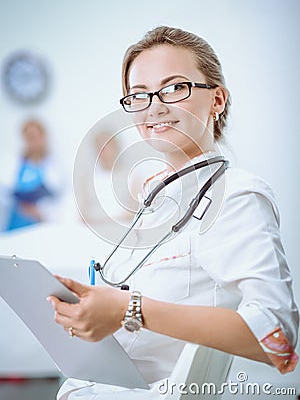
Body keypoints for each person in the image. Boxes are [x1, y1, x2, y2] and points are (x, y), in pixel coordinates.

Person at [49, 26, 299, 399]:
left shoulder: (236, 196)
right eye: (139, 95)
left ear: (217, 101)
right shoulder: (155, 203)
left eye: (174, 88)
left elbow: (276, 341)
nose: (154, 106)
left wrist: (127, 308)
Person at [1, 119, 63, 232]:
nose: (32, 141)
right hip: (14, 223)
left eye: (34, 136)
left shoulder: (54, 165)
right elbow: (5, 194)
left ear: (43, 137)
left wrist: (40, 211)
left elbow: (58, 197)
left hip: (41, 224)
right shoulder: (14, 163)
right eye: (28, 137)